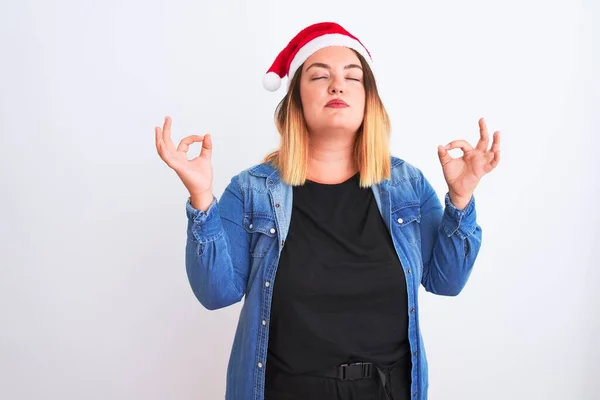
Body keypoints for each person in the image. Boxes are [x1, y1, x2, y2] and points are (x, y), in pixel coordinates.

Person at [155, 21, 501, 400]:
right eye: (320, 76)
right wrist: (201, 196)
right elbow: (215, 293)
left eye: (353, 78)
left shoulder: (406, 185)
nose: (338, 85)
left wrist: (461, 199)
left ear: (369, 98)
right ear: (296, 101)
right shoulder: (252, 190)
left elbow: (446, 281)